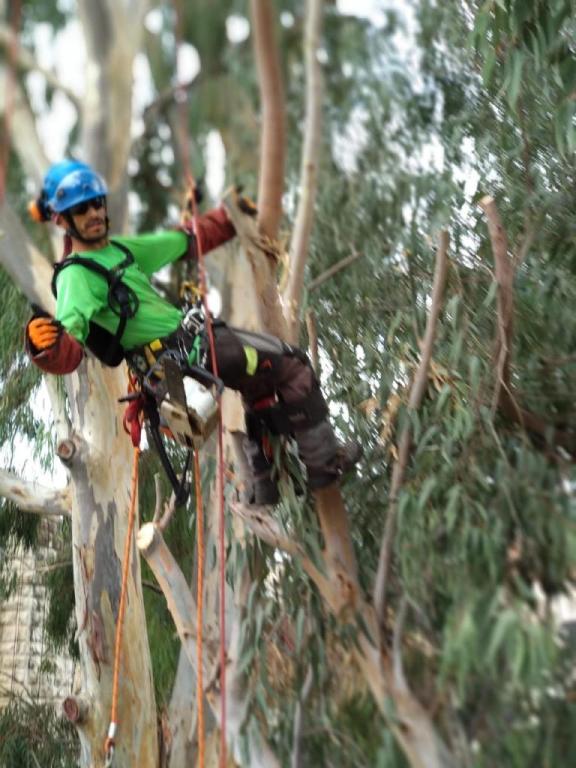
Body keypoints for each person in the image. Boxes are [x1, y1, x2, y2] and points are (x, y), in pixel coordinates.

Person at [25, 160, 360, 505]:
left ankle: (264, 480)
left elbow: (184, 241)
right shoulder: (74, 277)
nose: (94, 212)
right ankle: (324, 464)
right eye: (81, 209)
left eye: (97, 203)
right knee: (294, 366)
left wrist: (230, 218)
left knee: (259, 385)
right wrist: (45, 347)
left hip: (190, 351)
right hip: (184, 358)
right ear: (61, 219)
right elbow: (69, 344)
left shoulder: (120, 251)